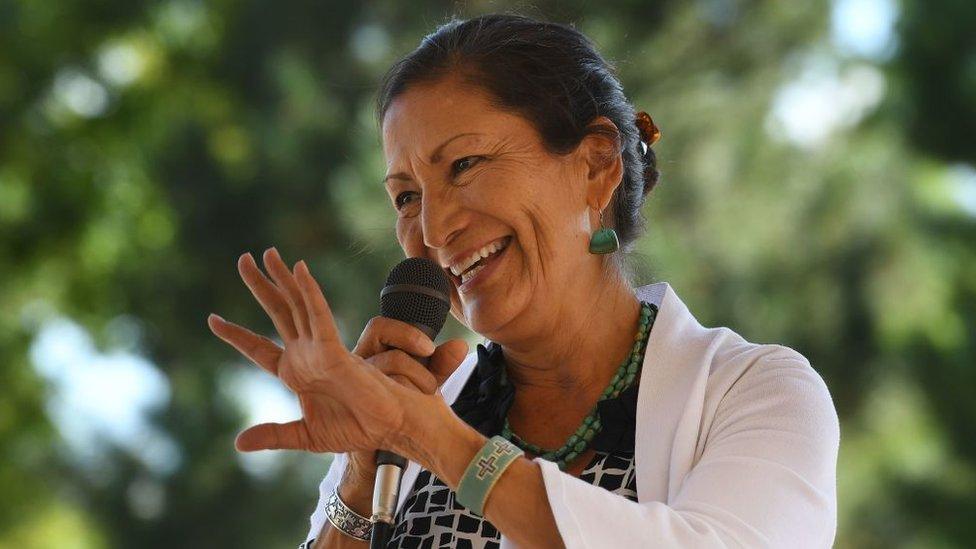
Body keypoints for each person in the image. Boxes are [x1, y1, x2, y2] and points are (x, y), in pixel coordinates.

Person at [207, 13, 839, 549]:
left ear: (596, 167)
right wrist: (358, 474)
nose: (432, 227)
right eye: (404, 198)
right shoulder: (407, 418)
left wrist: (430, 437)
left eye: (463, 165)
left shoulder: (758, 392)